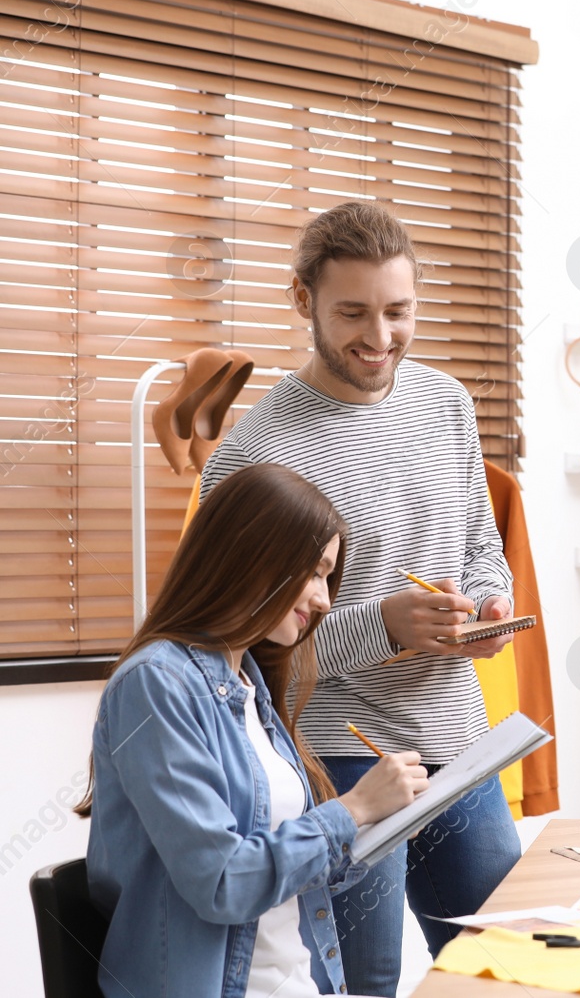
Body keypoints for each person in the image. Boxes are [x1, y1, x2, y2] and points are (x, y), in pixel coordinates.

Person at [199, 201, 520, 995]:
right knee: (363, 981)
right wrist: (383, 625)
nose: (379, 338)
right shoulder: (256, 457)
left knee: (509, 966)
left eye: (398, 311)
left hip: (456, 738)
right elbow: (235, 641)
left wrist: (486, 606)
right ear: (302, 301)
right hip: (334, 753)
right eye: (352, 313)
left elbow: (481, 541)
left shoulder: (444, 402)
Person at [77, 463, 430, 998]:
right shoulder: (157, 684)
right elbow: (224, 884)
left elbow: (288, 873)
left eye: (327, 577)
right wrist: (352, 809)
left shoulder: (249, 685)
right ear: (252, 555)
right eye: (313, 572)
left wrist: (377, 828)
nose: (325, 600)